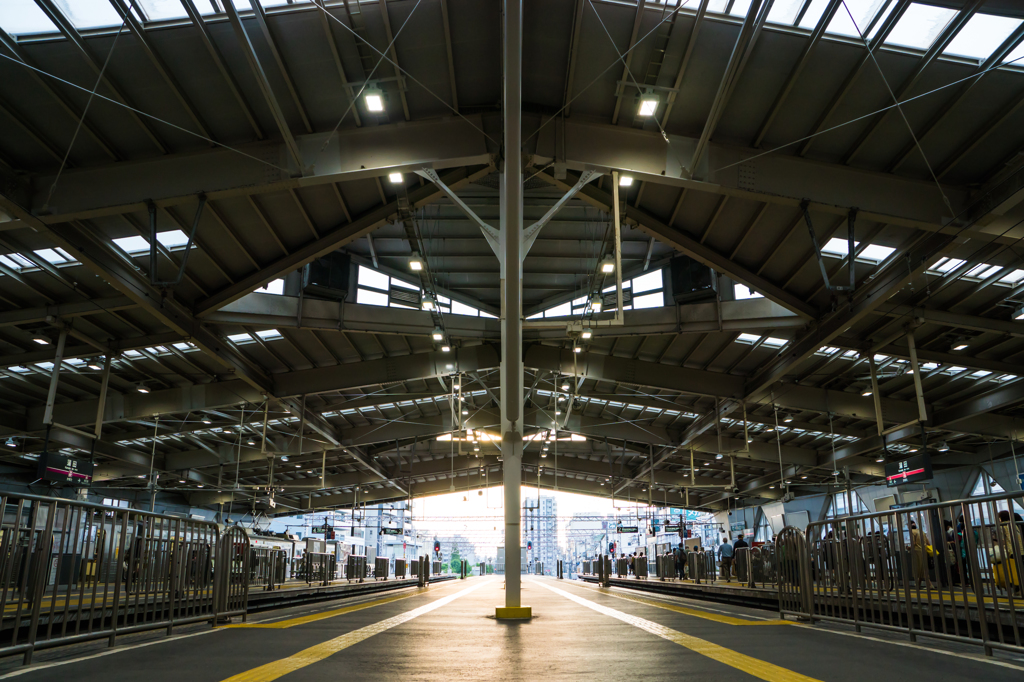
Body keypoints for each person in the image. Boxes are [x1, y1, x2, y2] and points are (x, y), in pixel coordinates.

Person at [996, 510, 1022, 595]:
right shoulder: (1014, 524)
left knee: (1013, 571)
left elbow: (1003, 540)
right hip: (1021, 551)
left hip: (1011, 551)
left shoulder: (1003, 526)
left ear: (1001, 518)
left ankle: (1017, 589)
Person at [908, 521, 934, 590]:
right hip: (924, 551)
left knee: (918, 568)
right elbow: (928, 543)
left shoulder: (912, 532)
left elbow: (913, 543)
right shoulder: (921, 532)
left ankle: (930, 584)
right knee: (922, 568)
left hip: (917, 552)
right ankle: (918, 585)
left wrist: (908, 548)